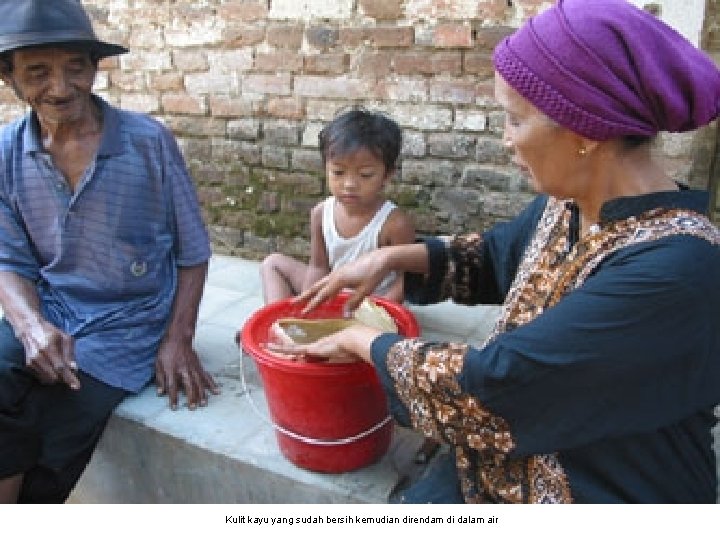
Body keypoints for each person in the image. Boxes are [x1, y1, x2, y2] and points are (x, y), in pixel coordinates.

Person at [270, 0, 720, 503]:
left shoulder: (674, 271)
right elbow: (491, 256)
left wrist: (359, 340)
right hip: (504, 464)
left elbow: (496, 388)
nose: (506, 141)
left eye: (514, 120)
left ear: (585, 132)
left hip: (596, 486)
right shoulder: (568, 206)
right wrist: (389, 258)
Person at [0, 0, 218, 503]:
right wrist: (31, 325)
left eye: (75, 67)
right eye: (38, 72)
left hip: (129, 323)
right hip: (53, 307)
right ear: (10, 78)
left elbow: (193, 251)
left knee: (57, 434)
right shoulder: (7, 152)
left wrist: (178, 337)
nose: (60, 87)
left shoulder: (146, 141)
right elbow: (10, 260)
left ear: (94, 68)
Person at [260, 108, 415, 305]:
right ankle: (278, 322)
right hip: (333, 292)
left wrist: (376, 312)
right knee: (272, 263)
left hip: (372, 302)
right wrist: (310, 306)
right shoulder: (321, 213)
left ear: (387, 175)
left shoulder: (394, 224)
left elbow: (407, 280)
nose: (349, 184)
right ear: (325, 167)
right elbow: (318, 267)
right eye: (338, 172)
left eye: (365, 175)